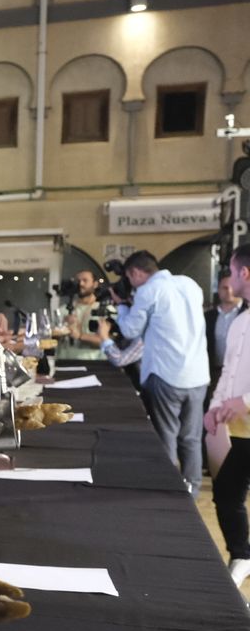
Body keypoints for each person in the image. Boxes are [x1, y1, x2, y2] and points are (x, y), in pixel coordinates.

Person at [114, 250, 209, 495]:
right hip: (198, 374)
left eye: (129, 278)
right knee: (191, 438)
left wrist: (122, 307)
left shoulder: (149, 291)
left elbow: (131, 330)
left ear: (135, 272)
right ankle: (192, 489)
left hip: (167, 374)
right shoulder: (190, 284)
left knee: (167, 436)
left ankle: (167, 490)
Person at [204, 244, 250, 587]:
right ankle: (241, 554)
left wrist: (246, 400)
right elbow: (229, 371)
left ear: (244, 274)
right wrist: (215, 407)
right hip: (236, 431)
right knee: (226, 495)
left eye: (232, 272)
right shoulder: (241, 321)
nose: (230, 278)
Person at [207, 274, 245, 397]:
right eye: (224, 287)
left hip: (240, 374)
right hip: (213, 371)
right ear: (218, 290)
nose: (229, 291)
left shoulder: (246, 314)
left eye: (231, 287)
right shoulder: (208, 316)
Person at [59, 269, 107, 361]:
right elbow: (51, 339)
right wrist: (62, 329)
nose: (81, 284)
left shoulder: (104, 310)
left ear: (95, 284)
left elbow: (106, 341)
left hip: (95, 364)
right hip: (64, 362)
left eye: (85, 280)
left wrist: (80, 336)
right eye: (78, 281)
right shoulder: (63, 310)